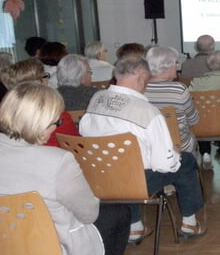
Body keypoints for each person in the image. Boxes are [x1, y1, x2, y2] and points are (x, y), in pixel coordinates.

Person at [0, 83, 129, 255]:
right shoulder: (58, 161)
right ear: (37, 123)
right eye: (54, 123)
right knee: (117, 213)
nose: (55, 128)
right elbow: (89, 214)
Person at [79, 54, 205, 240]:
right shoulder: (148, 112)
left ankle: (135, 227)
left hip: (98, 177)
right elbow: (164, 166)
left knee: (123, 163)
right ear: (140, 78)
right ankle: (190, 224)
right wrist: (175, 155)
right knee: (185, 161)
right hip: (135, 181)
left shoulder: (97, 98)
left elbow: (83, 132)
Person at [0, 58, 79, 147]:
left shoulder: (1, 114)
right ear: (37, 83)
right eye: (45, 76)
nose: (48, 80)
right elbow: (77, 145)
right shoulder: (57, 117)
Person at [144, 46, 199, 153]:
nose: (177, 67)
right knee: (191, 136)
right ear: (167, 66)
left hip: (149, 146)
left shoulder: (140, 89)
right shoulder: (179, 89)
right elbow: (193, 120)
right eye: (176, 63)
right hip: (177, 146)